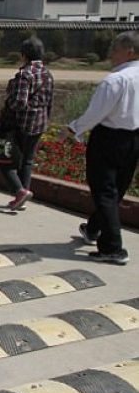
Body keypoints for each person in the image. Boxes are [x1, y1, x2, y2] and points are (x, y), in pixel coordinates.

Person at [64, 31, 139, 265]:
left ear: (129, 51)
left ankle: (113, 248)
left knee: (104, 191)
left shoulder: (115, 80)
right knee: (115, 189)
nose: (110, 56)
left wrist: (73, 129)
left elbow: (96, 114)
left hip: (109, 139)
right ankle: (93, 228)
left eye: (114, 50)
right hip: (134, 139)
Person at [0, 37, 54, 211]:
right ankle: (23, 195)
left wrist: (8, 106)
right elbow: (49, 101)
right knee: (27, 161)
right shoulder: (47, 74)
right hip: (39, 124)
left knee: (4, 160)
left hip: (21, 125)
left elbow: (19, 103)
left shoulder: (25, 74)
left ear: (23, 55)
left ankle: (19, 191)